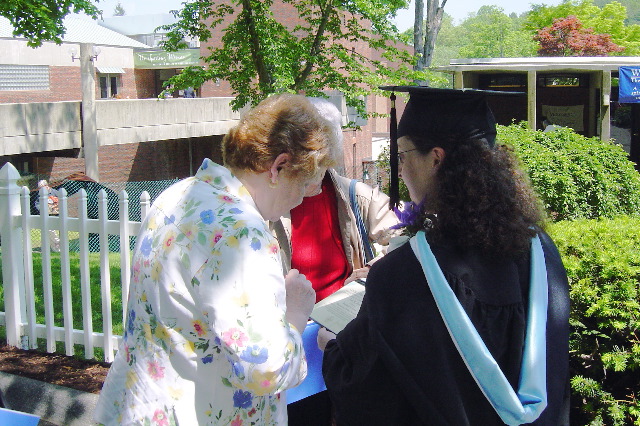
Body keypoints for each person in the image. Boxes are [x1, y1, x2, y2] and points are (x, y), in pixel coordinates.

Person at [319, 86, 571, 425]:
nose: (401, 168)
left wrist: (332, 348)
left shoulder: (403, 275)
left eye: (404, 155)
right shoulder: (542, 253)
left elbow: (366, 388)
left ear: (436, 158)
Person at [94, 93, 337, 425]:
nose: (301, 199)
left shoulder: (178, 195)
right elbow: (265, 370)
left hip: (142, 407)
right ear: (278, 167)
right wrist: (295, 312)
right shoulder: (243, 234)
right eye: (307, 184)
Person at [272, 98, 400, 425]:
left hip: (343, 338)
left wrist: (378, 269)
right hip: (293, 341)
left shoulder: (352, 194)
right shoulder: (270, 207)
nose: (319, 173)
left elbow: (404, 232)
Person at [34, 179, 60, 252]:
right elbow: (37, 204)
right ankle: (56, 248)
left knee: (51, 231)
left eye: (42, 187)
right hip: (46, 216)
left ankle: (57, 246)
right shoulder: (39, 195)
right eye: (40, 188)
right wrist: (42, 208)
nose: (41, 189)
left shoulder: (54, 192)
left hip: (56, 215)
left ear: (46, 186)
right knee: (49, 232)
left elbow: (62, 199)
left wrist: (56, 205)